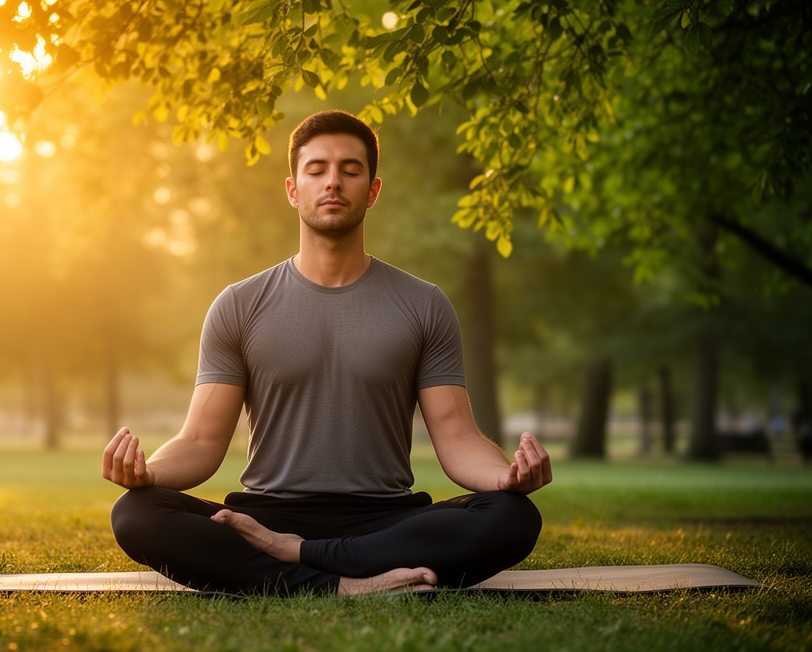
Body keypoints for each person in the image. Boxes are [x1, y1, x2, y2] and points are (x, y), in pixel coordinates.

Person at [102, 110, 552, 596]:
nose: (333, 182)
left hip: (385, 518)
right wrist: (150, 474)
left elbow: (457, 435)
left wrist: (504, 477)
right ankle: (347, 582)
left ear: (372, 191)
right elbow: (201, 440)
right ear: (293, 190)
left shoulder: (424, 304)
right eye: (316, 170)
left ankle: (301, 561)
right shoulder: (238, 305)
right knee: (137, 512)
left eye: (350, 170)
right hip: (268, 515)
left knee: (512, 515)